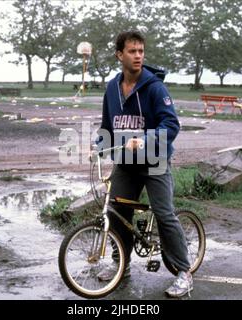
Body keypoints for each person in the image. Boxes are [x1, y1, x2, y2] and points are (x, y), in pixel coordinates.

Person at [94, 31, 193, 298]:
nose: (138, 56)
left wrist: (146, 138)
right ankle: (121, 265)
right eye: (132, 51)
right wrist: (99, 144)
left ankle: (184, 271)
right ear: (119, 55)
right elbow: (107, 125)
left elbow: (171, 124)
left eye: (141, 51)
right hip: (125, 162)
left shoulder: (155, 87)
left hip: (155, 161)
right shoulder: (112, 88)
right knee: (116, 211)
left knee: (164, 213)